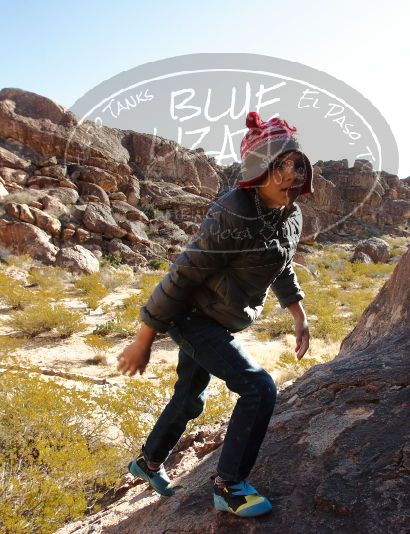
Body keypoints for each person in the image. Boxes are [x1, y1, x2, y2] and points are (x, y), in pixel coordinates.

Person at [116, 110, 315, 517]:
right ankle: (229, 487)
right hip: (192, 317)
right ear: (259, 172)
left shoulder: (291, 216)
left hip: (222, 317)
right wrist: (143, 340)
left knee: (189, 398)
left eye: (295, 166)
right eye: (280, 167)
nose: (289, 177)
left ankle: (147, 463)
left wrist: (299, 315)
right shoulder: (235, 210)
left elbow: (281, 264)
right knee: (259, 388)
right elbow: (183, 273)